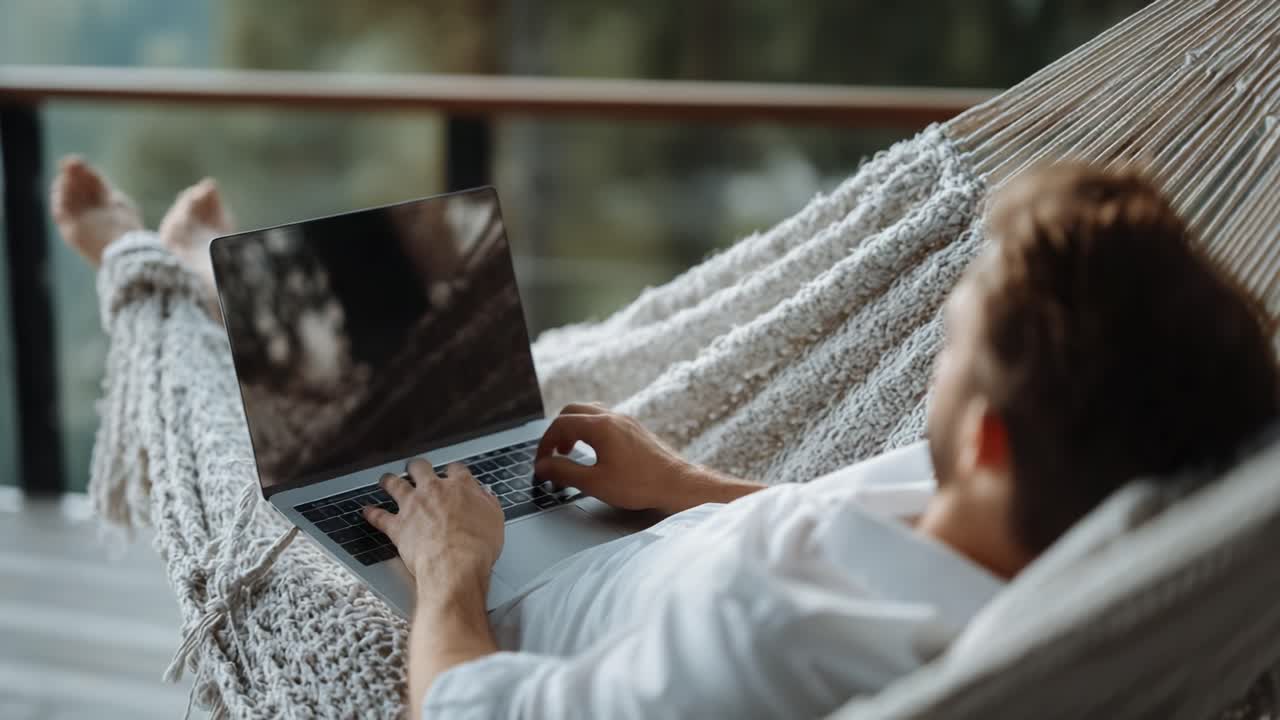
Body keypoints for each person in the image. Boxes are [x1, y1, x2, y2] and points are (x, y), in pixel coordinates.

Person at [53, 158, 1278, 719]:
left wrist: (446, 571)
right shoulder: (1044, 546)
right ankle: (221, 293)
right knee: (444, 406)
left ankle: (151, 283)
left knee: (258, 494)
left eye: (950, 337)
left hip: (468, 621)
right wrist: (685, 484)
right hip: (611, 541)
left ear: (995, 439)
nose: (936, 354)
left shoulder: (771, 641)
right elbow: (841, 535)